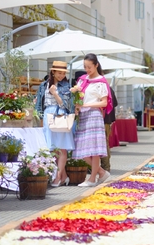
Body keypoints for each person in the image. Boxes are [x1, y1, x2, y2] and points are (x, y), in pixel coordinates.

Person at [71, 53, 112, 187]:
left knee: (94, 150)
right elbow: (79, 97)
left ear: (96, 65)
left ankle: (92, 178)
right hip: (83, 116)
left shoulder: (101, 82)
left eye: (89, 67)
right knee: (81, 149)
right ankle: (101, 172)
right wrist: (78, 106)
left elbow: (104, 103)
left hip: (94, 116)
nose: (87, 69)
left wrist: (86, 105)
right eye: (85, 67)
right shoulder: (82, 80)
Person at [36, 60, 75, 187]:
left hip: (60, 115)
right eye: (59, 73)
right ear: (53, 71)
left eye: (63, 73)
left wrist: (55, 94)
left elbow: (67, 105)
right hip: (48, 116)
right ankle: (64, 176)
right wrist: (39, 118)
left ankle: (57, 177)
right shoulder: (43, 85)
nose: (61, 75)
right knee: (52, 147)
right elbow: (39, 105)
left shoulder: (65, 86)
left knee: (61, 147)